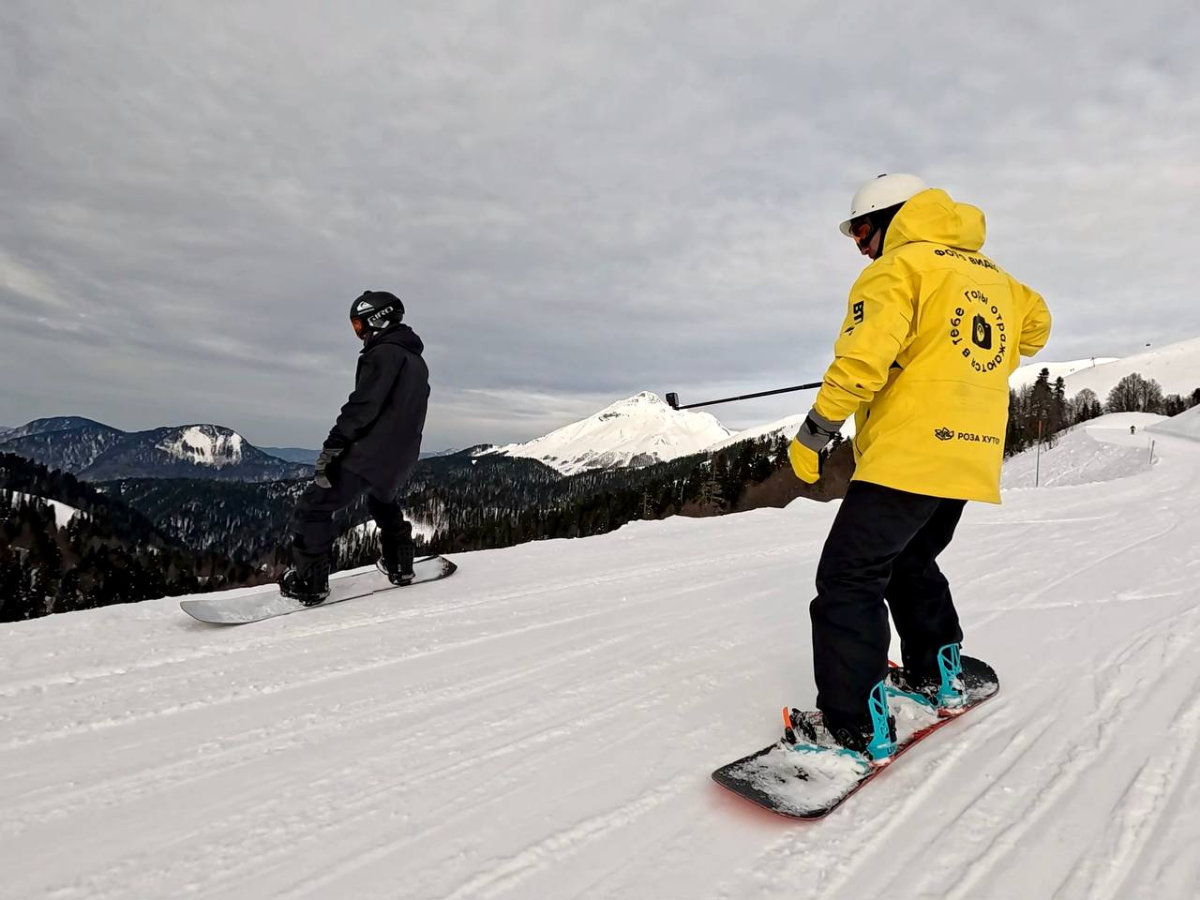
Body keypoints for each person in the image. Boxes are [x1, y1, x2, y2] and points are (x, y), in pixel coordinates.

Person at [788, 174, 1051, 759]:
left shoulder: (897, 269)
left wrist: (814, 435)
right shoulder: (995, 277)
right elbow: (1036, 327)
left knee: (848, 579)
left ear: (894, 218)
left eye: (863, 231)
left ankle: (853, 727)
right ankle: (938, 672)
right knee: (909, 559)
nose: (861, 246)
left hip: (909, 452)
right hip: (970, 452)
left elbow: (860, 362)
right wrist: (951, 352)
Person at [281, 290, 430, 605]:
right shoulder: (416, 361)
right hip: (403, 453)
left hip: (369, 452)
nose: (358, 332)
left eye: (359, 324)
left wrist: (335, 443)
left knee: (314, 506)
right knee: (381, 499)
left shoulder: (383, 354)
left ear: (378, 319)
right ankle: (400, 564)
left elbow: (363, 405)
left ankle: (310, 582)